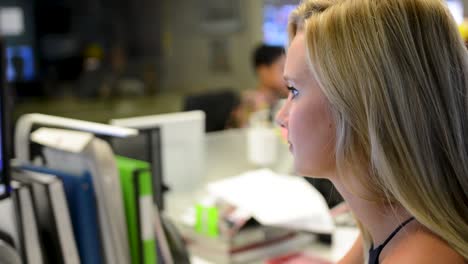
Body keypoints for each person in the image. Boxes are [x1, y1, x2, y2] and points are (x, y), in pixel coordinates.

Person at [275, 0, 468, 263]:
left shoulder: (421, 255)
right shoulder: (388, 221)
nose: (281, 117)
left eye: (294, 91)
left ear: (360, 106)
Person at [240, 44, 288, 126]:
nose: (286, 74)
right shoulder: (249, 104)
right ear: (263, 72)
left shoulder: (284, 101)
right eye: (282, 68)